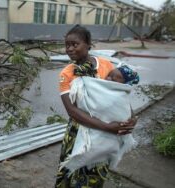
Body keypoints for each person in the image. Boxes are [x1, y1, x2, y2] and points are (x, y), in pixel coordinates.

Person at [55, 25, 138, 188]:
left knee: (93, 176)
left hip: (105, 136)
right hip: (79, 131)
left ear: (88, 44)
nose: (70, 49)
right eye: (67, 45)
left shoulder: (106, 66)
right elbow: (72, 111)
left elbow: (120, 95)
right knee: (70, 172)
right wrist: (108, 127)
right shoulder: (66, 74)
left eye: (75, 44)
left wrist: (132, 118)